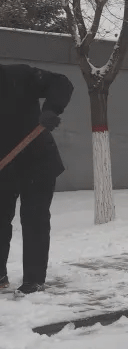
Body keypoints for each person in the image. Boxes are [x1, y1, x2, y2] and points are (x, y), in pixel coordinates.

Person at [0, 63, 74, 294]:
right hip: (4, 166)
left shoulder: (18, 76)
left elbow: (62, 82)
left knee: (34, 219)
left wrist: (51, 109)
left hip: (37, 160)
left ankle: (34, 280)